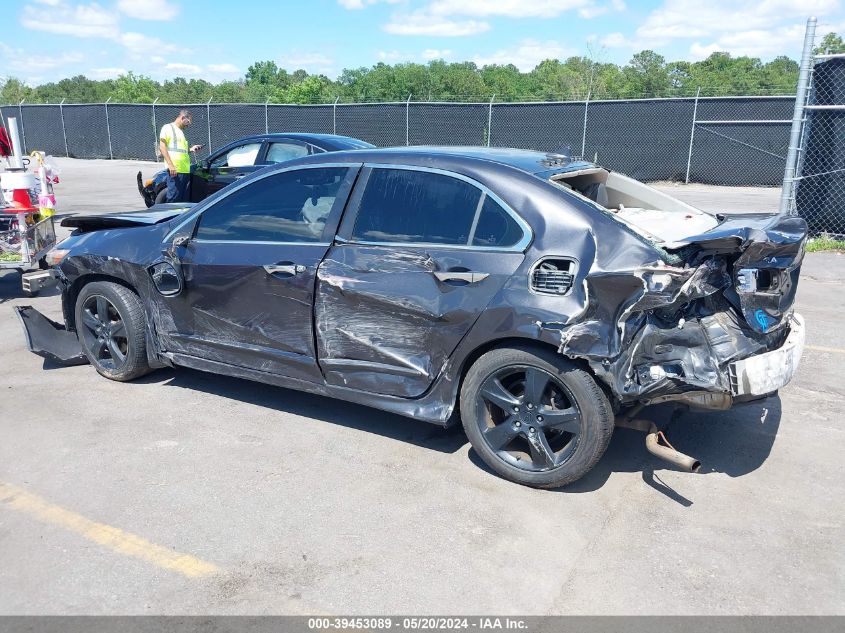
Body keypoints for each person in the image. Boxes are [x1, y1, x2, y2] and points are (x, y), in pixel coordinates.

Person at [159, 110, 203, 202]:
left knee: (182, 200)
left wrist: (191, 149)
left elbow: (180, 151)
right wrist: (171, 165)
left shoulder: (180, 132)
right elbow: (162, 147)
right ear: (183, 118)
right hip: (175, 170)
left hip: (184, 171)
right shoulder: (168, 128)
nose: (188, 125)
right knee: (173, 199)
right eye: (188, 122)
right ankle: (170, 212)